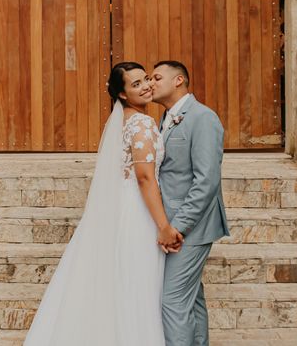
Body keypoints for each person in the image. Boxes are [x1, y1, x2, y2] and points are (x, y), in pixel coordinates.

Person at [24, 62, 180, 346]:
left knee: (122, 284)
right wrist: (163, 226)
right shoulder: (142, 123)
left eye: (146, 79)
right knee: (138, 286)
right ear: (122, 95)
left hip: (123, 206)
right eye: (136, 84)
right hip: (139, 214)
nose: (145, 86)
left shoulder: (125, 122)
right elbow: (145, 178)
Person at [150, 61, 230, 346]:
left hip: (191, 228)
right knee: (191, 299)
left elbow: (206, 180)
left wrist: (177, 226)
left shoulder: (202, 117)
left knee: (172, 301)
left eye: (157, 77)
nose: (151, 83)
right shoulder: (167, 117)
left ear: (179, 80)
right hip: (172, 224)